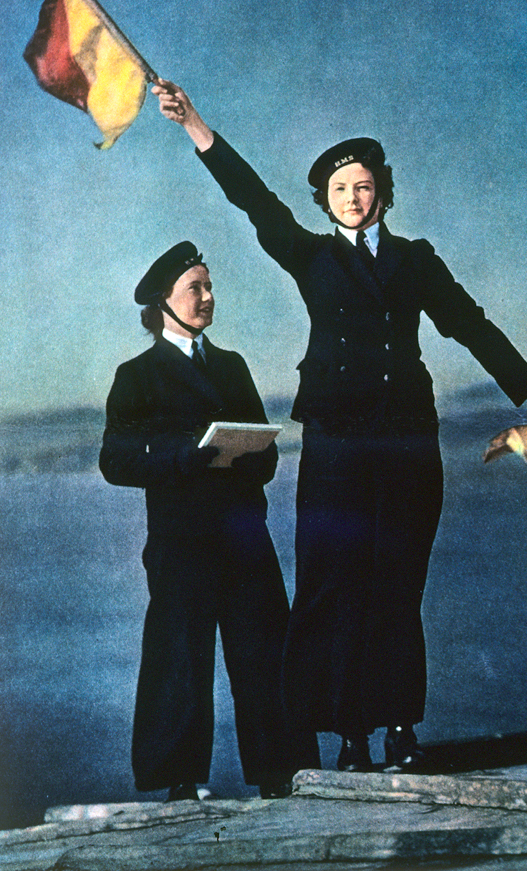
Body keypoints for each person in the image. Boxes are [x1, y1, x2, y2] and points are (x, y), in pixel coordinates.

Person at [151, 80, 527, 774]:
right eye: (340, 189)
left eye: (364, 185)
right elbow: (253, 199)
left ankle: (400, 728)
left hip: (407, 441)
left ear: (382, 193)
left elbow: (469, 324)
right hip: (337, 444)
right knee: (335, 584)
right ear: (326, 201)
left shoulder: (416, 260)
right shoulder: (311, 255)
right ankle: (349, 736)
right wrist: (195, 123)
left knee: (398, 582)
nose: (353, 197)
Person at [99, 241, 318, 801]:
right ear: (162, 303)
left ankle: (283, 774)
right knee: (179, 657)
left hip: (244, 534)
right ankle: (180, 783)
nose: (207, 297)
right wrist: (182, 458)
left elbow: (266, 450)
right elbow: (115, 461)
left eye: (209, 286)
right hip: (181, 540)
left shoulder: (231, 366)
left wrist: (252, 456)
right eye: (194, 287)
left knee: (266, 651)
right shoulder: (137, 375)